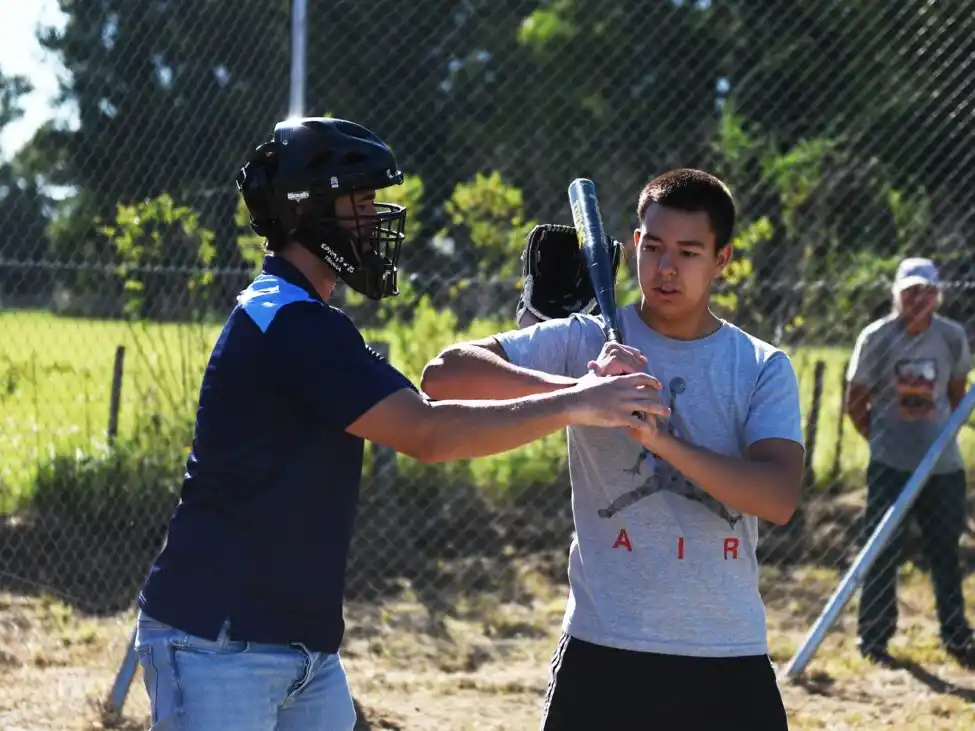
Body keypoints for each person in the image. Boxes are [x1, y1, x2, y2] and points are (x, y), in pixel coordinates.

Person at [132, 117, 667, 731]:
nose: (375, 218)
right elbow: (427, 432)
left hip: (295, 642)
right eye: (359, 202)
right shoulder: (292, 324)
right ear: (306, 212)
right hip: (218, 640)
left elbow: (426, 405)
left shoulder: (306, 316)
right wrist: (580, 402)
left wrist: (578, 389)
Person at [421, 168, 805, 730]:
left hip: (725, 652)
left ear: (722, 259)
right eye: (654, 248)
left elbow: (777, 498)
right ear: (633, 245)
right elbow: (444, 375)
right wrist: (583, 393)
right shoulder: (586, 339)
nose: (667, 268)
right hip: (605, 646)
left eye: (689, 252)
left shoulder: (759, 364)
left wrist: (662, 442)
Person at [845, 256, 974, 667]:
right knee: (882, 550)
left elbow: (957, 394)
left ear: (938, 296)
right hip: (891, 466)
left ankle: (956, 634)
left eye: (926, 291)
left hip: (942, 467)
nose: (918, 299)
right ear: (896, 295)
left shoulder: (951, 337)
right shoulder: (877, 338)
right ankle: (874, 638)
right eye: (910, 291)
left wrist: (940, 441)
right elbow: (855, 403)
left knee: (944, 550)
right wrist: (884, 444)